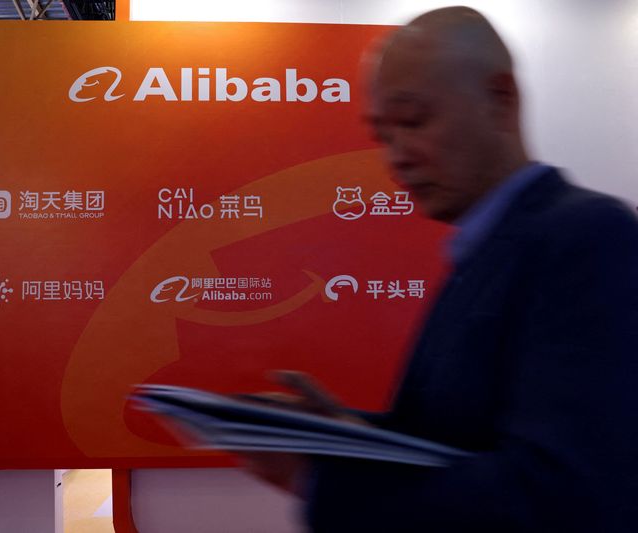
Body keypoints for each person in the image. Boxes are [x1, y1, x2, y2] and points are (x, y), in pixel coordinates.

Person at [243, 6, 638, 532]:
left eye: (413, 121)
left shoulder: (588, 236)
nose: (396, 156)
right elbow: (456, 441)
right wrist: (339, 431)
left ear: (500, 99)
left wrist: (318, 483)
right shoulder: (482, 251)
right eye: (382, 135)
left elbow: (559, 496)